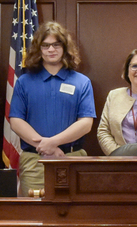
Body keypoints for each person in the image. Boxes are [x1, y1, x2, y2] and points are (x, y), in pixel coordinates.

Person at [9, 20, 96, 193]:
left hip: (73, 159)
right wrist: (46, 147)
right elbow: (16, 121)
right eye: (46, 45)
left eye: (56, 45)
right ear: (38, 49)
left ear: (64, 47)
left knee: (76, 215)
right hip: (35, 161)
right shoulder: (24, 82)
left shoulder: (82, 82)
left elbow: (86, 123)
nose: (51, 50)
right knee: (34, 216)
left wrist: (54, 143)